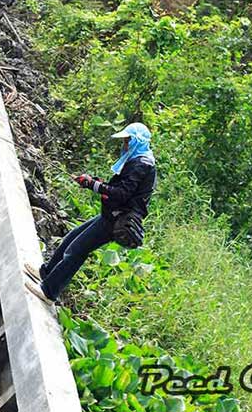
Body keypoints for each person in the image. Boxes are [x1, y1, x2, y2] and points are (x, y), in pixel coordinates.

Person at [24, 122, 156, 304]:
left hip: (116, 220)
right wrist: (94, 182)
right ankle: (46, 273)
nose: (124, 145)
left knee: (76, 250)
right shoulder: (139, 159)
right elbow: (121, 189)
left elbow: (123, 193)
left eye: (127, 141)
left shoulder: (141, 164)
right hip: (110, 214)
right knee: (71, 238)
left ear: (136, 142)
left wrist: (92, 184)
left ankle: (49, 291)